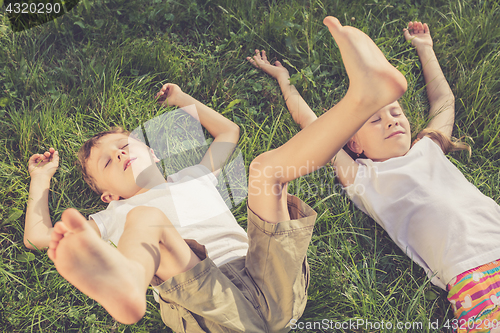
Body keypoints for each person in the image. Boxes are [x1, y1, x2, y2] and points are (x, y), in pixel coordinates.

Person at [24, 16, 407, 332]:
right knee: (147, 218)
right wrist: (41, 179)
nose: (120, 154)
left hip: (267, 277)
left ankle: (364, 100)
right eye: (108, 162)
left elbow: (229, 133)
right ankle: (129, 281)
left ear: (153, 152)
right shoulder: (116, 215)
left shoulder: (195, 175)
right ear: (109, 196)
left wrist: (182, 99)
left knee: (263, 170)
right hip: (208, 306)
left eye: (125, 145)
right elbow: (38, 236)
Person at [248, 21, 500, 332]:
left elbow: (444, 101)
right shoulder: (363, 177)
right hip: (471, 271)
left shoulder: (429, 146)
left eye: (396, 113)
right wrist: (284, 80)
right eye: (374, 119)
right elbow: (311, 124)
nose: (391, 121)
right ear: (354, 144)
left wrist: (425, 49)